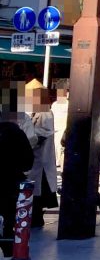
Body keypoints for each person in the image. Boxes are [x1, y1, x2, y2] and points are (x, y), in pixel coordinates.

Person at [0, 85, 33, 259]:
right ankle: (7, 248)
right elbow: (28, 161)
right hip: (12, 182)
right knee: (9, 217)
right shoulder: (17, 132)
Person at [26, 84, 57, 228]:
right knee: (37, 190)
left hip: (41, 159)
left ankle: (37, 217)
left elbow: (45, 132)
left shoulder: (45, 113)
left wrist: (32, 139)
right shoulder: (39, 112)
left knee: (38, 190)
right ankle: (36, 216)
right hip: (39, 159)